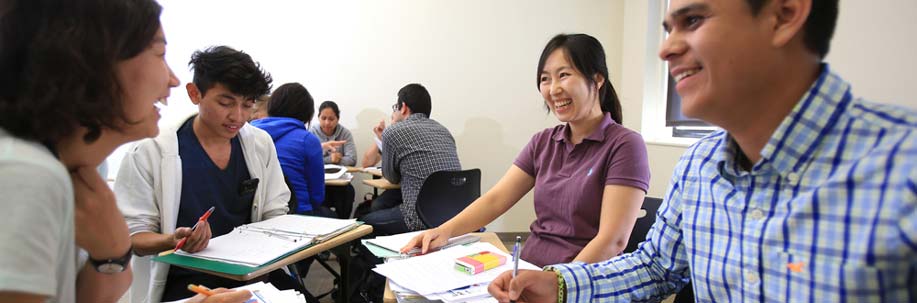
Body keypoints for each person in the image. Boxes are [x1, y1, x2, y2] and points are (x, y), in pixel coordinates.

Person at [490, 0, 917, 302]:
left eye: (693, 20)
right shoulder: (698, 164)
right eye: (668, 29)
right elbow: (655, 267)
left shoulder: (902, 166)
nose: (665, 49)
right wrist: (560, 285)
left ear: (784, 15)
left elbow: (615, 241)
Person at [403, 33, 650, 267]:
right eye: (545, 79)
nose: (553, 89)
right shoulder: (543, 143)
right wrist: (442, 231)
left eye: (564, 75)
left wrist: (558, 284)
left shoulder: (625, 145)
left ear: (597, 79)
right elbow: (495, 200)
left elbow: (612, 240)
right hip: (527, 269)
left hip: (579, 281)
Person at [0, 0, 183, 302]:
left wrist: (110, 255)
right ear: (92, 63)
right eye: (160, 54)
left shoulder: (84, 170)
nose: (172, 80)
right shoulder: (26, 173)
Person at [115, 45, 290, 302]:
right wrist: (171, 240)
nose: (238, 116)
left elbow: (275, 212)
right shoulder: (150, 151)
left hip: (253, 271)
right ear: (194, 93)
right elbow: (133, 236)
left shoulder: (259, 144)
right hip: (185, 279)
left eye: (248, 104)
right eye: (225, 103)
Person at [360, 83, 462, 235]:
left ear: (403, 107)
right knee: (380, 204)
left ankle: (376, 257)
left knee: (363, 221)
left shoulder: (393, 131)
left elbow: (391, 178)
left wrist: (392, 129)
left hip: (420, 216)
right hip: (454, 213)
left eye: (395, 107)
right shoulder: (444, 131)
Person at [251, 83, 334, 217]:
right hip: (297, 213)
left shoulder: (248, 134)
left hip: (257, 215)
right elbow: (317, 195)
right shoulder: (307, 139)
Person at [309, 100, 358, 219]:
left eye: (331, 119)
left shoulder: (345, 133)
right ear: (318, 117)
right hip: (319, 182)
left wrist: (327, 158)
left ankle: (344, 224)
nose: (327, 123)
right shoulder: (311, 132)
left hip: (340, 182)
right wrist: (331, 159)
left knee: (348, 192)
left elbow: (352, 159)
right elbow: (309, 159)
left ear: (338, 119)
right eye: (323, 118)